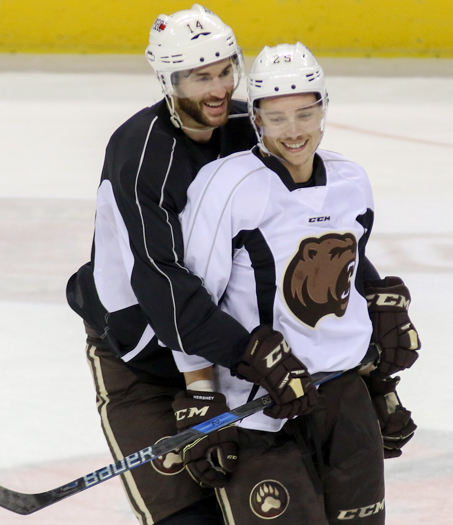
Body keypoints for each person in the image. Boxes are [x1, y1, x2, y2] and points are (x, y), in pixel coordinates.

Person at [65, 6, 318, 525]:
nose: (219, 87)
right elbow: (163, 284)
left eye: (225, 70)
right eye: (201, 76)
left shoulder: (250, 130)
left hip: (233, 351)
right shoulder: (140, 155)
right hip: (142, 358)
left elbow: (307, 224)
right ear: (169, 79)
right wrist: (206, 389)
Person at [179, 43, 421, 525]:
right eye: (277, 117)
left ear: (324, 110)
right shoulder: (228, 185)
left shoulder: (352, 181)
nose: (293, 131)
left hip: (345, 402)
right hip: (262, 410)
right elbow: (192, 301)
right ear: (257, 121)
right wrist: (203, 399)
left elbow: (347, 292)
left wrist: (380, 384)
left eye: (305, 114)